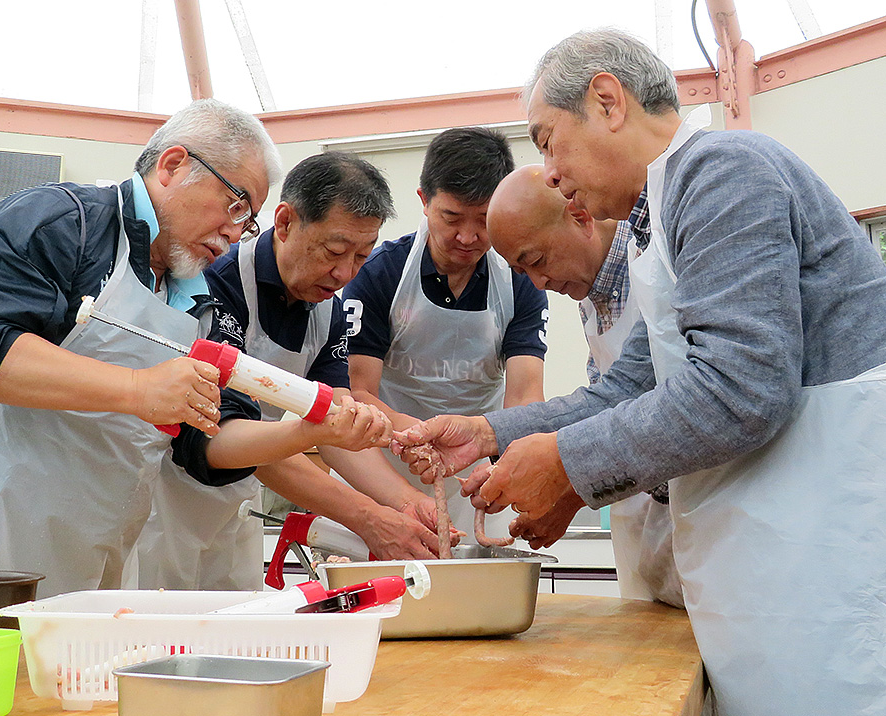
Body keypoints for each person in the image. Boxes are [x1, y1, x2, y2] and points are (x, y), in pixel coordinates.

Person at [393, 29, 886, 715]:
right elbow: (627, 388)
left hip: (817, 547)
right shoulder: (661, 214)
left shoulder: (723, 170)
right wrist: (487, 432)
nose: (551, 171)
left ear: (606, 100)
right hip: (763, 557)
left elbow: (739, 388)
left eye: (546, 140)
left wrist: (566, 462)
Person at [0, 99, 277, 597]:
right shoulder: (62, 222)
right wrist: (137, 388)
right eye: (236, 204)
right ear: (173, 165)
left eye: (248, 222)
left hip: (96, 563)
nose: (234, 232)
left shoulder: (202, 301)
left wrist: (312, 428)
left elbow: (202, 443)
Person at [134, 152, 447, 590]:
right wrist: (368, 517)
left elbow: (338, 423)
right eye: (334, 251)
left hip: (233, 512)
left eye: (362, 257)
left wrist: (406, 502)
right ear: (284, 223)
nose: (344, 273)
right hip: (166, 509)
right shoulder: (217, 283)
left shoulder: (327, 310)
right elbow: (227, 434)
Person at [486, 164, 682, 608]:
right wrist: (570, 495)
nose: (538, 283)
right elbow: (605, 406)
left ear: (580, 215)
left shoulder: (656, 266)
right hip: (642, 531)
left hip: (706, 525)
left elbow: (633, 402)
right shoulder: (590, 296)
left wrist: (494, 435)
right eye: (522, 272)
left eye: (536, 261)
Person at [344, 127, 549, 545]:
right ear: (423, 200)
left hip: (476, 474)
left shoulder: (519, 278)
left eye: (483, 220)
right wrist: (413, 437)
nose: (468, 237)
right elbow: (355, 390)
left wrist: (504, 461)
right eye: (452, 218)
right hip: (384, 464)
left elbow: (526, 394)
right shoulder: (379, 273)